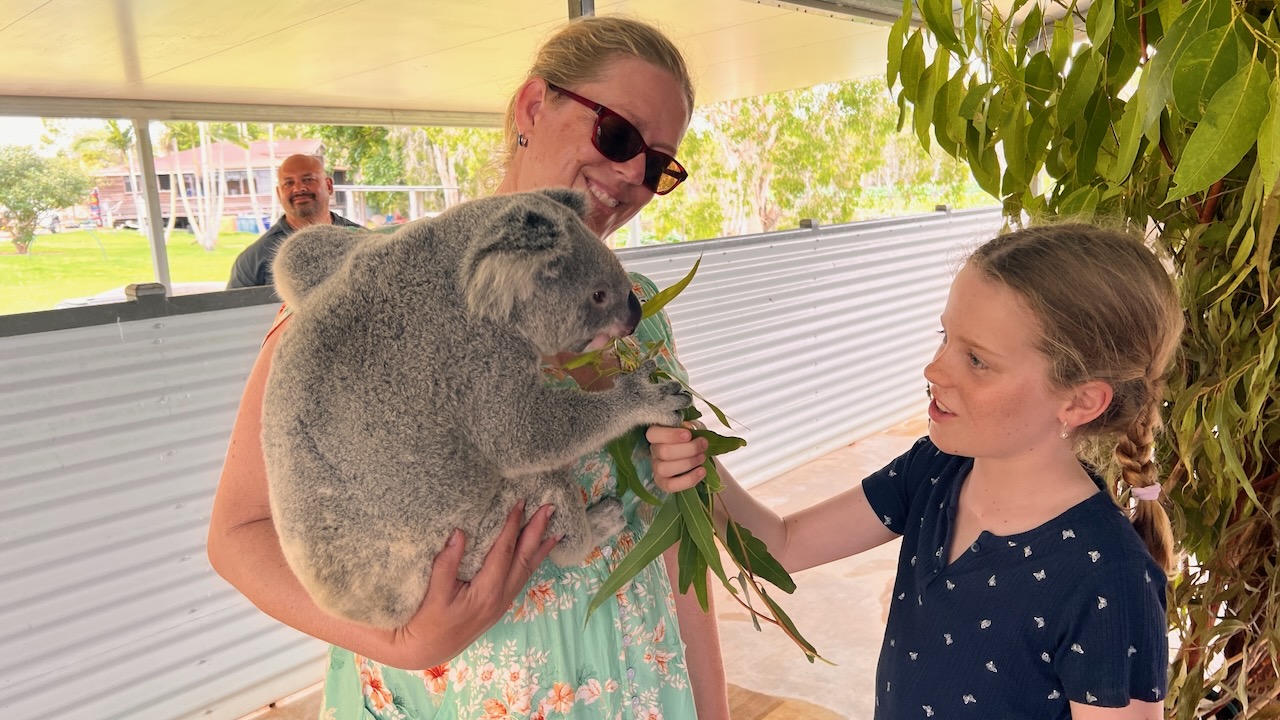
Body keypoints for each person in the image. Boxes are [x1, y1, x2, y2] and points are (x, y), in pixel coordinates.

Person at [208, 15, 731, 720]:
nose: (634, 175)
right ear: (532, 107)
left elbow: (673, 546)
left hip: (632, 684)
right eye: (617, 135)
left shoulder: (637, 317)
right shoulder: (374, 291)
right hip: (454, 694)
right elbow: (238, 535)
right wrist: (401, 641)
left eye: (660, 164)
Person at [649, 224, 1185, 719]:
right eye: (944, 336)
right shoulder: (935, 472)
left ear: (1080, 401)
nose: (934, 368)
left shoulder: (1109, 579)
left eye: (977, 360)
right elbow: (782, 545)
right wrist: (700, 463)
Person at [226, 153, 361, 291]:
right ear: (279, 193)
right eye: (289, 183)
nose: (299, 188)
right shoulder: (253, 261)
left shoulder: (362, 241)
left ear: (329, 186)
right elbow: (235, 305)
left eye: (308, 179)